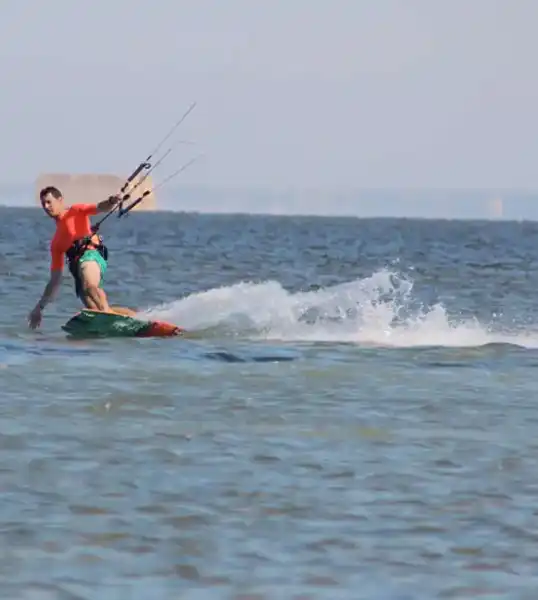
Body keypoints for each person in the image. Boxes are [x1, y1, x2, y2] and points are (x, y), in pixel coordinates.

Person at [28, 186, 136, 330]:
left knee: (90, 286)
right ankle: (136, 317)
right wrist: (39, 308)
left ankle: (108, 318)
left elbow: (100, 207)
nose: (46, 207)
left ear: (60, 200)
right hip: (77, 268)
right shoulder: (56, 243)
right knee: (93, 308)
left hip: (91, 256)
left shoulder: (76, 211)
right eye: (43, 204)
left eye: (49, 202)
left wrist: (111, 201)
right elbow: (55, 279)